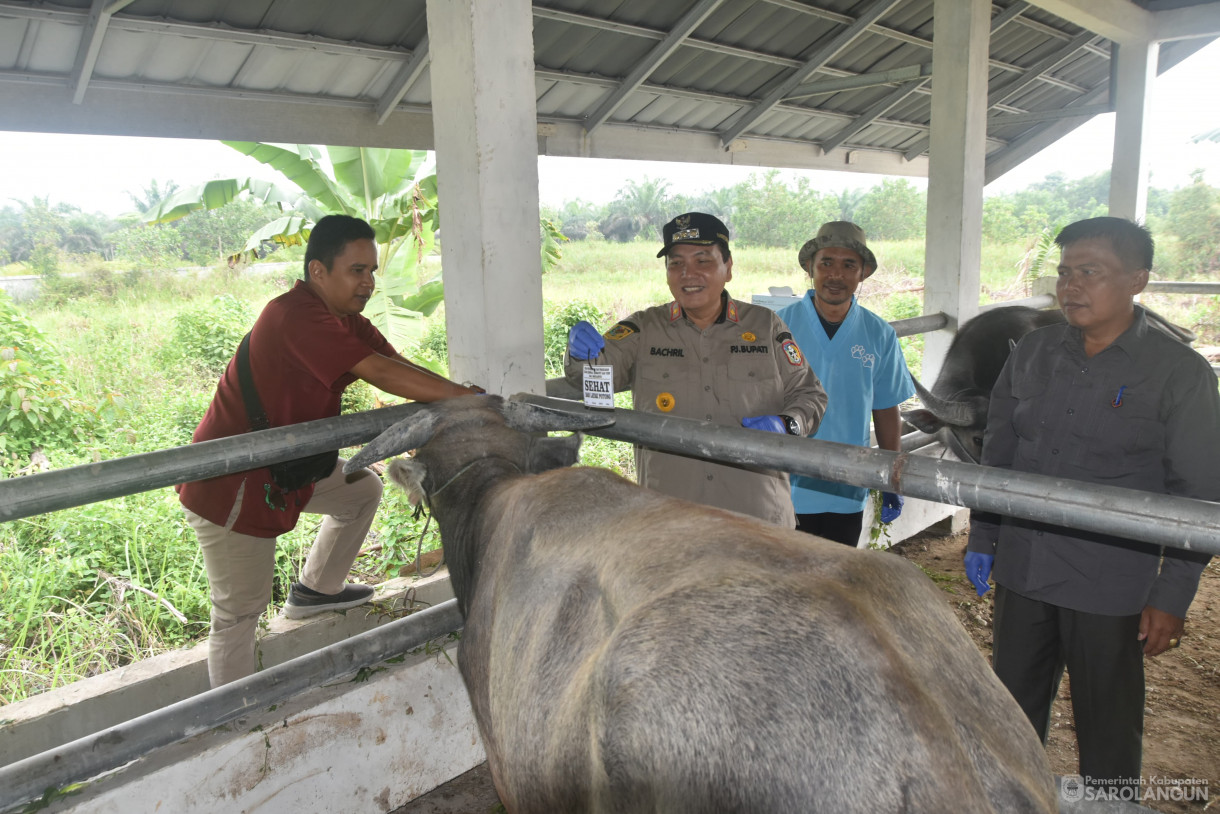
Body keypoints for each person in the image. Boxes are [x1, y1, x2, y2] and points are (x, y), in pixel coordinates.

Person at [963, 217, 1220, 793]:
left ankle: (1111, 807)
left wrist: (1172, 593)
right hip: (1023, 569)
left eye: (1089, 272)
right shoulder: (1032, 351)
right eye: (1063, 273)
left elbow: (1201, 494)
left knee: (1107, 724)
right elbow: (999, 449)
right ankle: (1014, 802)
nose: (1070, 286)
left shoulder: (1179, 373)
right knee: (1011, 710)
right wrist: (984, 534)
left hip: (1110, 583)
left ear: (1137, 280)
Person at [179, 214, 480, 687]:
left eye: (372, 271)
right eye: (357, 270)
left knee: (360, 490)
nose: (369, 283)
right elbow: (378, 374)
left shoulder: (346, 322)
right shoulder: (294, 316)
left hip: (284, 470)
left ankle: (316, 592)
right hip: (232, 481)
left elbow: (396, 366)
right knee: (240, 613)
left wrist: (459, 394)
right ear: (318, 271)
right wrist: (470, 401)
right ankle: (234, 721)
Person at [562, 212, 827, 526]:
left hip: (758, 518)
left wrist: (788, 424)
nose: (688, 274)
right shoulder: (643, 328)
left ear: (728, 268)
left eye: (703, 261)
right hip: (670, 521)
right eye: (676, 263)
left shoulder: (765, 325)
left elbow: (809, 394)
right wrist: (579, 355)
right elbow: (594, 373)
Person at [777, 221, 914, 546]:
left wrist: (889, 474)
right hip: (786, 483)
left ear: (863, 273)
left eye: (848, 265)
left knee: (834, 582)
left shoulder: (879, 334)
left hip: (848, 485)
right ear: (810, 268)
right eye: (826, 263)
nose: (835, 275)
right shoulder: (780, 325)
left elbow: (885, 408)